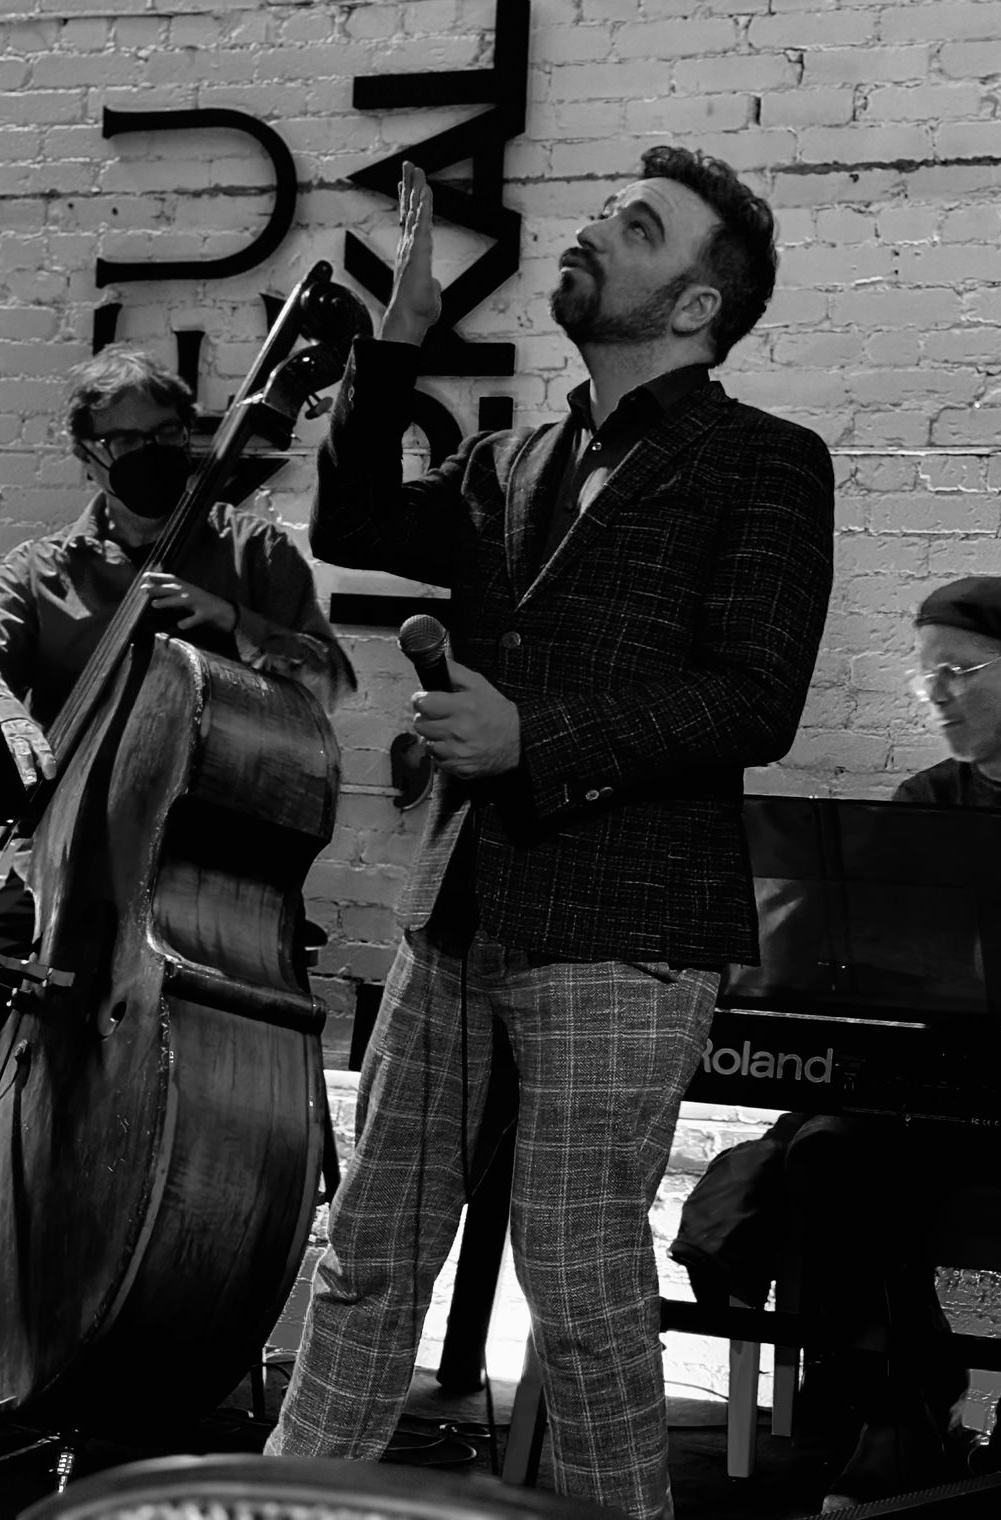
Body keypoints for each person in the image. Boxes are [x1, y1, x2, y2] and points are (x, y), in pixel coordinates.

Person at [264, 150, 835, 1519]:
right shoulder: (513, 459)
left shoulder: (764, 463)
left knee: (578, 1288)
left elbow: (753, 699)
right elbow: (353, 517)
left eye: (635, 227)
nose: (592, 231)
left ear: (694, 306)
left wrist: (536, 739)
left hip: (626, 925)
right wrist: (397, 345)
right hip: (461, 910)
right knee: (366, 1258)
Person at [673, 576, 1001, 1510]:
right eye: (927, 679)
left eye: (957, 672)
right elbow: (882, 966)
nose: (937, 696)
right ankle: (900, 1411)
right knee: (826, 1151)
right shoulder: (929, 799)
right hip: (944, 1094)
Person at [0, 345, 354, 1262]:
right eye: (127, 439)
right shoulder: (41, 570)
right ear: (89, 454)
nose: (153, 451)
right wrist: (15, 724)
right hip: (70, 866)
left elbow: (328, 679)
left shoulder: (253, 551)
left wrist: (233, 620)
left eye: (167, 432)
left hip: (207, 872)